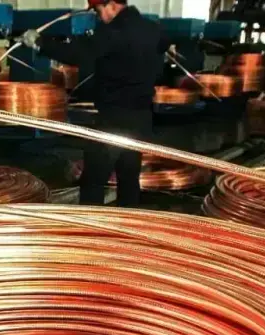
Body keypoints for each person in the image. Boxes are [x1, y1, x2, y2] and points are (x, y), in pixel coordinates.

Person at [21, 0, 167, 206]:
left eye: (99, 11)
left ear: (112, 5)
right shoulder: (153, 29)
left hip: (113, 120)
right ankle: (129, 221)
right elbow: (161, 57)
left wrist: (40, 42)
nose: (99, 17)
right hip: (141, 118)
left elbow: (78, 54)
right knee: (129, 178)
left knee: (93, 181)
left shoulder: (113, 32)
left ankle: (91, 223)